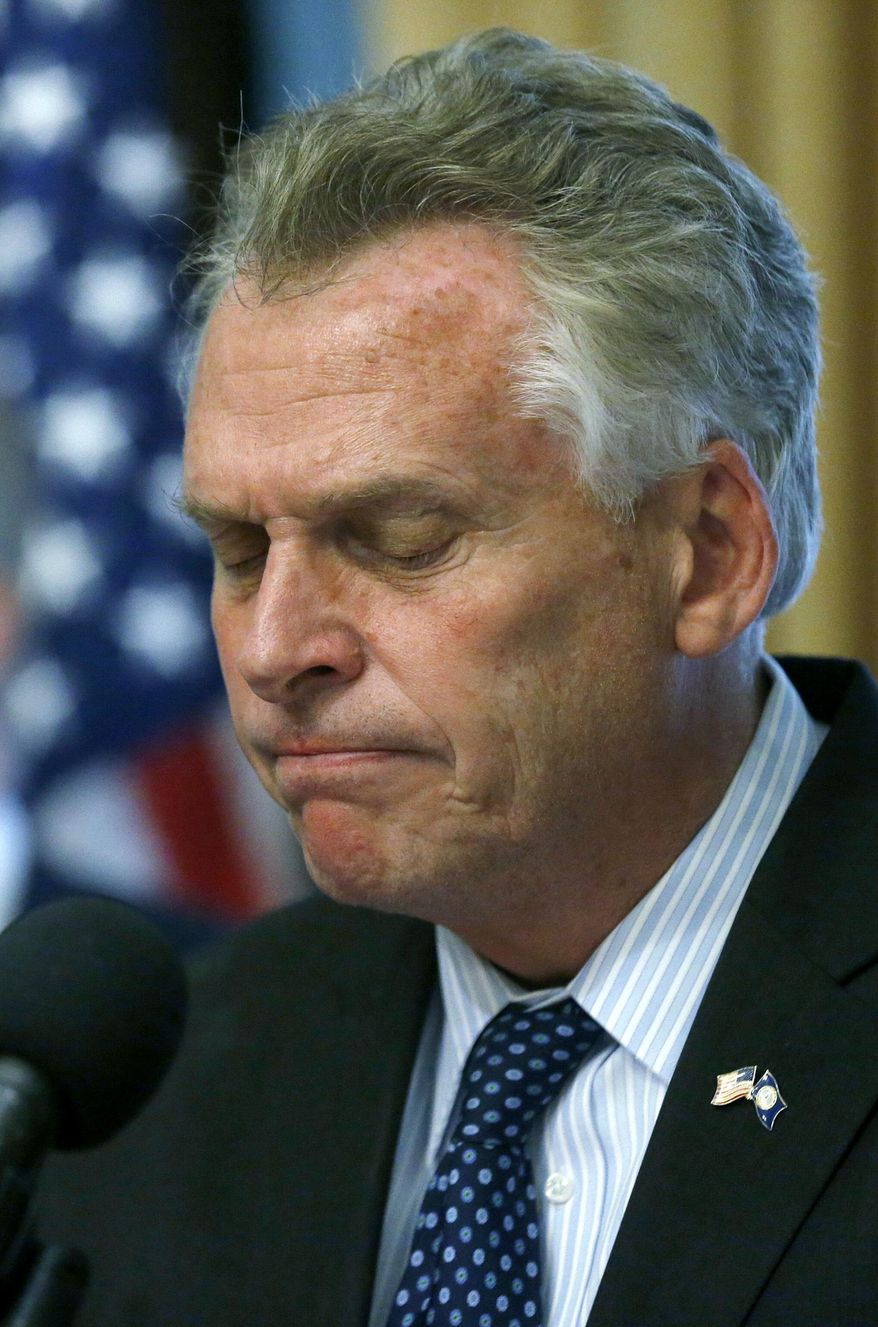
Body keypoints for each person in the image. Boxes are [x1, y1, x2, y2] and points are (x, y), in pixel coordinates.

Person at [36, 29, 878, 1327]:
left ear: (705, 552)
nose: (275, 649)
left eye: (400, 538)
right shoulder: (158, 1093)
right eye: (240, 549)